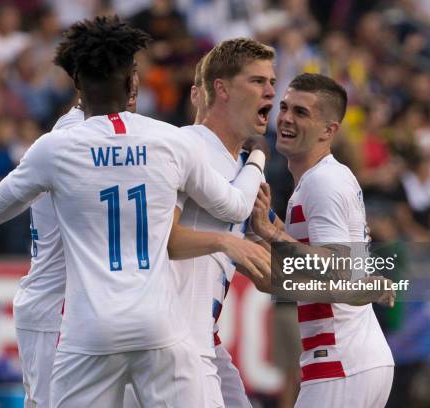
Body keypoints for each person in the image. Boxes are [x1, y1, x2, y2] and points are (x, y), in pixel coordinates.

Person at [0, 16, 268, 407]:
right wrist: (256, 163)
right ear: (132, 81)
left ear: (78, 82)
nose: (272, 94)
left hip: (88, 325)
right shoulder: (172, 139)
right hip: (152, 327)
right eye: (259, 81)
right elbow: (208, 219)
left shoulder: (56, 145)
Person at [250, 73, 394, 407]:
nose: (285, 117)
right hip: (354, 359)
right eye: (284, 107)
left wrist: (273, 233)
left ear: (329, 130)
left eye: (301, 112)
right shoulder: (325, 178)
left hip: (340, 359)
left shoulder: (322, 183)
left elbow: (335, 269)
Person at [166, 37, 276, 408]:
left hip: (206, 339)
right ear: (222, 89)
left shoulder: (245, 169)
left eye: (272, 82)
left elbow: (268, 275)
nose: (270, 92)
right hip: (173, 342)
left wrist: (350, 275)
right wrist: (227, 243)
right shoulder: (187, 147)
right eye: (258, 81)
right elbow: (164, 239)